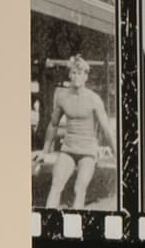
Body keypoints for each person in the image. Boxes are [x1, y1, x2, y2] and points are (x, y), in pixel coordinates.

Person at [44, 56, 111, 209]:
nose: (76, 77)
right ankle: (47, 224)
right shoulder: (62, 97)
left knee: (79, 189)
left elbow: (106, 128)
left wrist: (118, 152)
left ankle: (74, 229)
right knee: (56, 185)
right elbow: (53, 124)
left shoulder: (94, 99)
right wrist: (44, 150)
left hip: (87, 151)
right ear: (69, 75)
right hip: (68, 149)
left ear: (86, 76)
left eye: (80, 73)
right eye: (73, 73)